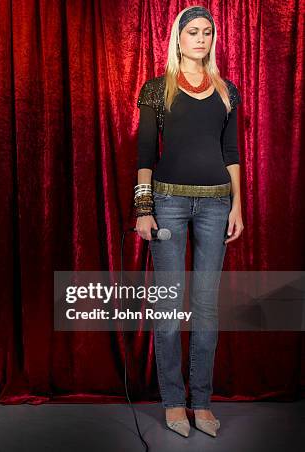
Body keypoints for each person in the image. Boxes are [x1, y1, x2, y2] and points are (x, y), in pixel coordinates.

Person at [133, 5, 244, 438]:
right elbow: (145, 155)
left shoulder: (226, 91)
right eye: (192, 31)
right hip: (168, 204)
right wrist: (144, 208)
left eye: (207, 32)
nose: (200, 38)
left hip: (217, 204)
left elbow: (231, 154)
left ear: (213, 39)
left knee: (207, 307)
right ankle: (174, 402)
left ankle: (201, 401)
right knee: (167, 306)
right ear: (178, 37)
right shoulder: (157, 89)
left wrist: (238, 206)